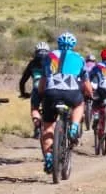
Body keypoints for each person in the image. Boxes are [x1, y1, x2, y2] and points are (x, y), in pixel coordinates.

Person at [38, 32, 92, 174]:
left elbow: (42, 82)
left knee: (48, 127)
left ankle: (49, 157)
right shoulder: (79, 58)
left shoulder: (49, 57)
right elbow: (86, 84)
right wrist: (90, 94)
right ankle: (74, 127)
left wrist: (42, 94)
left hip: (51, 93)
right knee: (79, 105)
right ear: (73, 45)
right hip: (71, 93)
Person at [19, 42, 51, 139]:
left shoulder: (32, 63)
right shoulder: (51, 62)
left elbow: (23, 80)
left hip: (36, 89)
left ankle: (37, 126)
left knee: (34, 109)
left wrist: (23, 93)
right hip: (49, 88)